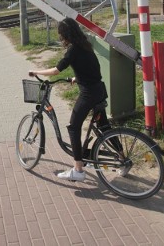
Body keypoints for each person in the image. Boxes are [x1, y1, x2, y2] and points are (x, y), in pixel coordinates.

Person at [28, 17, 108, 182]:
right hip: (99, 89)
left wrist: (37, 72)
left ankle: (78, 170)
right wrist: (76, 78)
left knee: (73, 127)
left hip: (89, 94)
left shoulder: (73, 50)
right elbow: (91, 68)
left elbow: (57, 70)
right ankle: (121, 157)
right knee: (105, 127)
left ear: (64, 34)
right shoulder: (85, 45)